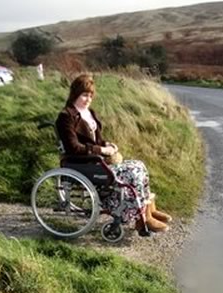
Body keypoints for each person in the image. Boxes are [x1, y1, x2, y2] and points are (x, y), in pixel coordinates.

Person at [55, 74, 172, 233]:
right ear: (75, 94)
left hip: (96, 161)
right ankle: (141, 218)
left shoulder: (89, 113)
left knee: (139, 165)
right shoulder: (66, 116)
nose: (88, 99)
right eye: (84, 95)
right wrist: (102, 150)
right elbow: (73, 148)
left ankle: (148, 209)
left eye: (90, 95)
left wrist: (107, 144)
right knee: (133, 172)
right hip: (82, 164)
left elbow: (97, 140)